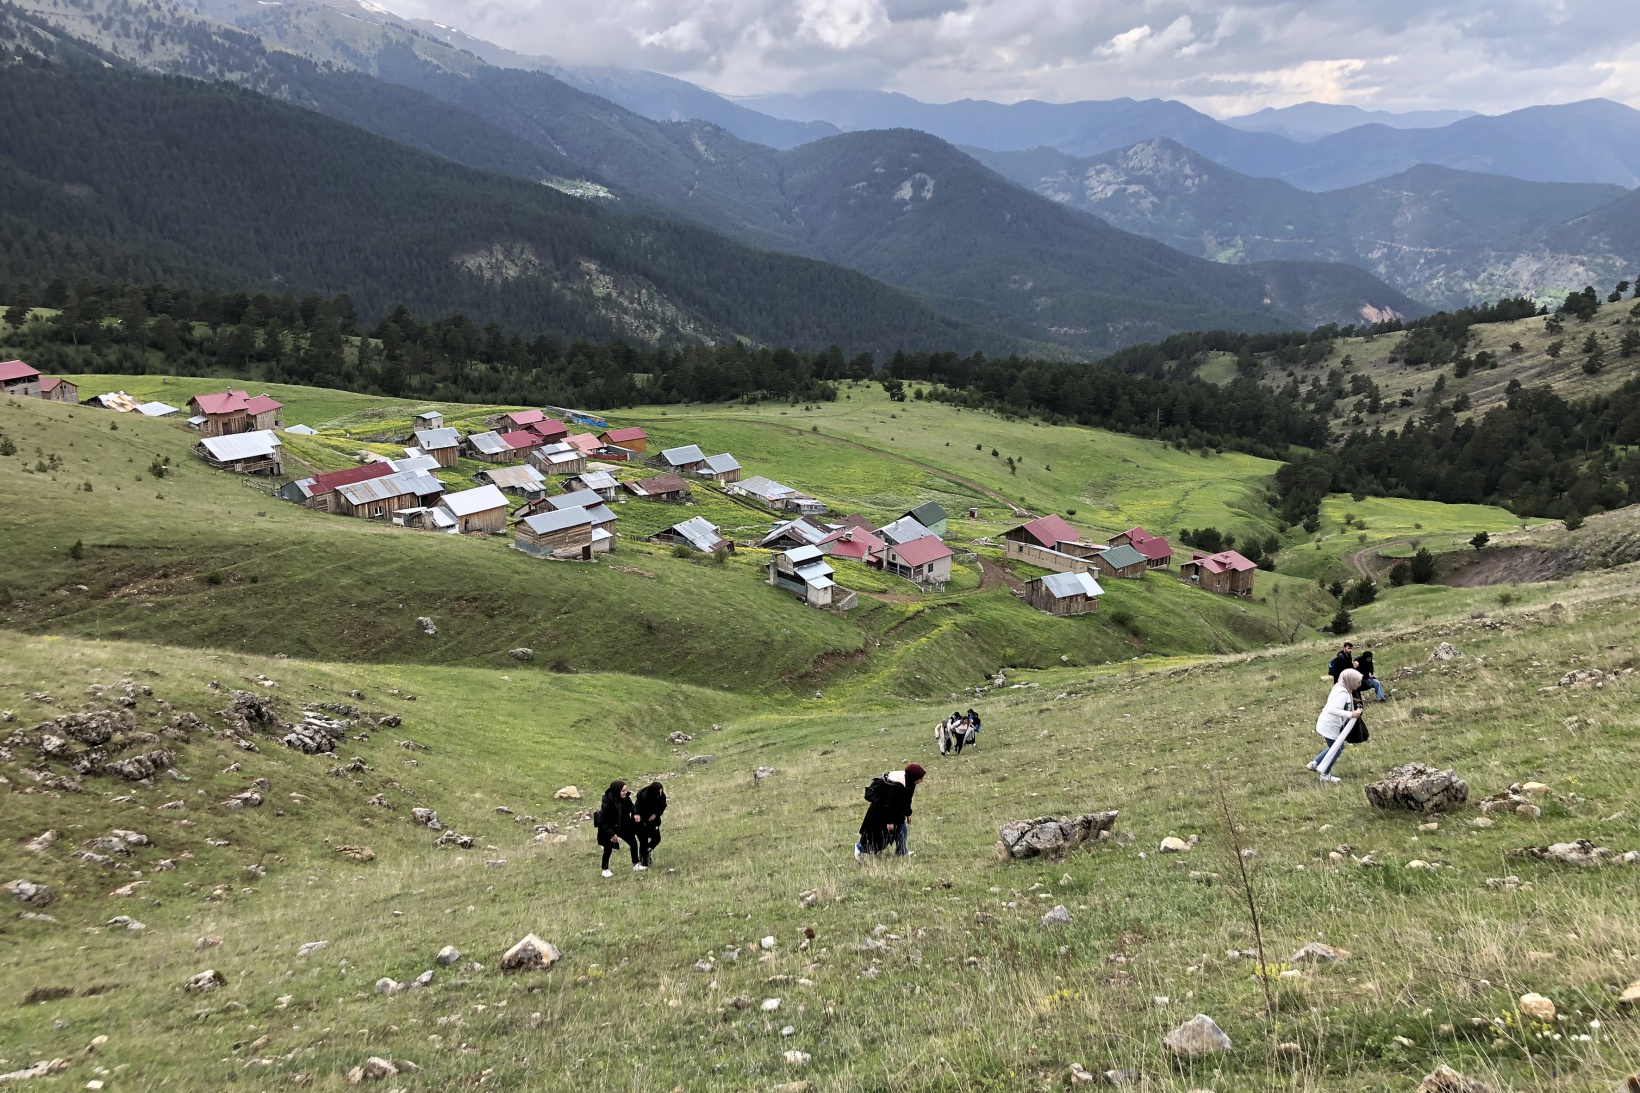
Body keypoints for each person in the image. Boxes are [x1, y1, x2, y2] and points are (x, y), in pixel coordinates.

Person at [856, 763, 926, 859]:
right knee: (878, 838)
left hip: (895, 811)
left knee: (902, 829)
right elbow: (888, 805)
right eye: (920, 778)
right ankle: (859, 847)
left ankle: (901, 851)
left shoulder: (910, 781)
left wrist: (908, 813)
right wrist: (889, 822)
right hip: (881, 812)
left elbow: (907, 799)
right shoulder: (896, 785)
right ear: (914, 776)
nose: (921, 780)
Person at [1308, 668, 1364, 783]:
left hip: (1330, 724)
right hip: (1330, 725)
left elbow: (1342, 702)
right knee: (1336, 750)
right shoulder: (1342, 692)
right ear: (1351, 681)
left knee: (1337, 747)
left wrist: (1353, 701)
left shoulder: (1342, 688)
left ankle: (1315, 764)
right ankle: (1324, 774)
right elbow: (1333, 709)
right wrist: (1351, 714)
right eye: (1357, 682)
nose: (1359, 685)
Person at [594, 779, 642, 876]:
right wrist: (612, 834)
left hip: (622, 825)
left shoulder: (626, 798)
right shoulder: (607, 804)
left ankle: (636, 864)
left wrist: (635, 813)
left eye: (625, 790)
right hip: (608, 828)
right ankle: (605, 869)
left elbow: (631, 806)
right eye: (623, 791)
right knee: (608, 848)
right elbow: (602, 822)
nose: (625, 793)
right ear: (617, 791)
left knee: (633, 841)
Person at [633, 781, 667, 867]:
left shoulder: (661, 796)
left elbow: (662, 806)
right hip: (640, 823)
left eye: (661, 790)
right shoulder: (643, 798)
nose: (660, 793)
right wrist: (640, 817)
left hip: (653, 822)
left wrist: (656, 814)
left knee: (656, 839)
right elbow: (636, 809)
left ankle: (646, 853)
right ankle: (643, 862)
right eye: (659, 791)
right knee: (643, 841)